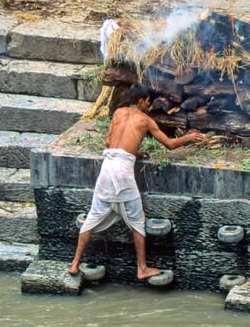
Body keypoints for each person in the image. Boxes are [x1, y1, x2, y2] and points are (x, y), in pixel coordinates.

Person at [67, 84, 205, 281]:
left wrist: (134, 152)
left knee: (92, 218)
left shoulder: (119, 112)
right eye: (148, 101)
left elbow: (109, 143)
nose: (149, 105)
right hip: (122, 173)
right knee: (137, 221)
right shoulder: (145, 120)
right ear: (141, 100)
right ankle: (142, 268)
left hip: (106, 169)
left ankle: (74, 264)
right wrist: (189, 137)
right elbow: (170, 144)